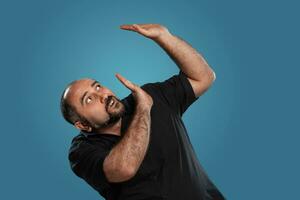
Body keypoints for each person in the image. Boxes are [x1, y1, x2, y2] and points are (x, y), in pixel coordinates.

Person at [60, 23, 226, 200]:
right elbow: (123, 168)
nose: (103, 95)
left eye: (98, 86)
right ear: (83, 125)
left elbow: (204, 77)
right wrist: (144, 110)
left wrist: (164, 37)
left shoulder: (149, 96)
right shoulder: (81, 152)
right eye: (89, 99)